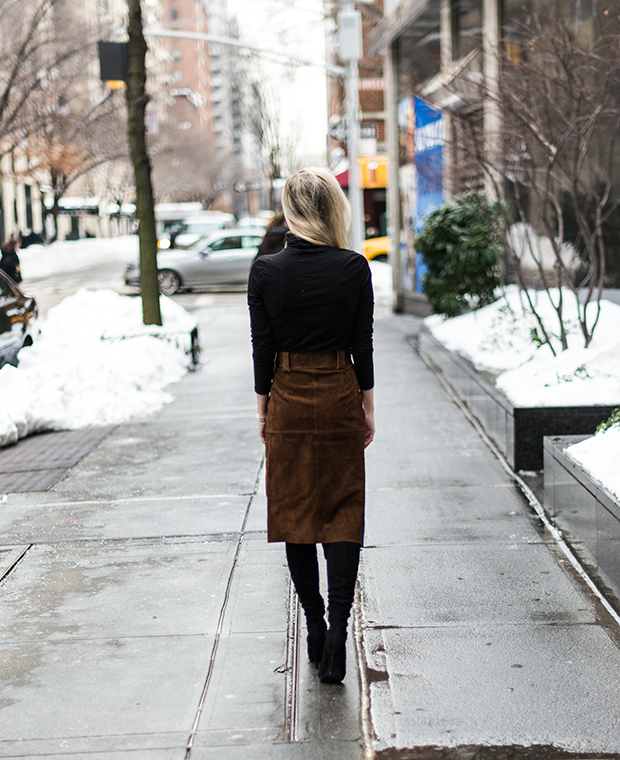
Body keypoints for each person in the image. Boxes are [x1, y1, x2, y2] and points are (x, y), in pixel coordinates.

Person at [248, 167, 375, 684]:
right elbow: (361, 345)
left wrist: (263, 408)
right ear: (333, 207)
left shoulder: (265, 271)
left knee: (297, 512)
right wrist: (367, 406)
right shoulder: (353, 267)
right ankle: (341, 633)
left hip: (289, 396)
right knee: (344, 509)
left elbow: (263, 349)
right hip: (340, 388)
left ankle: (316, 626)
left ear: (292, 208)